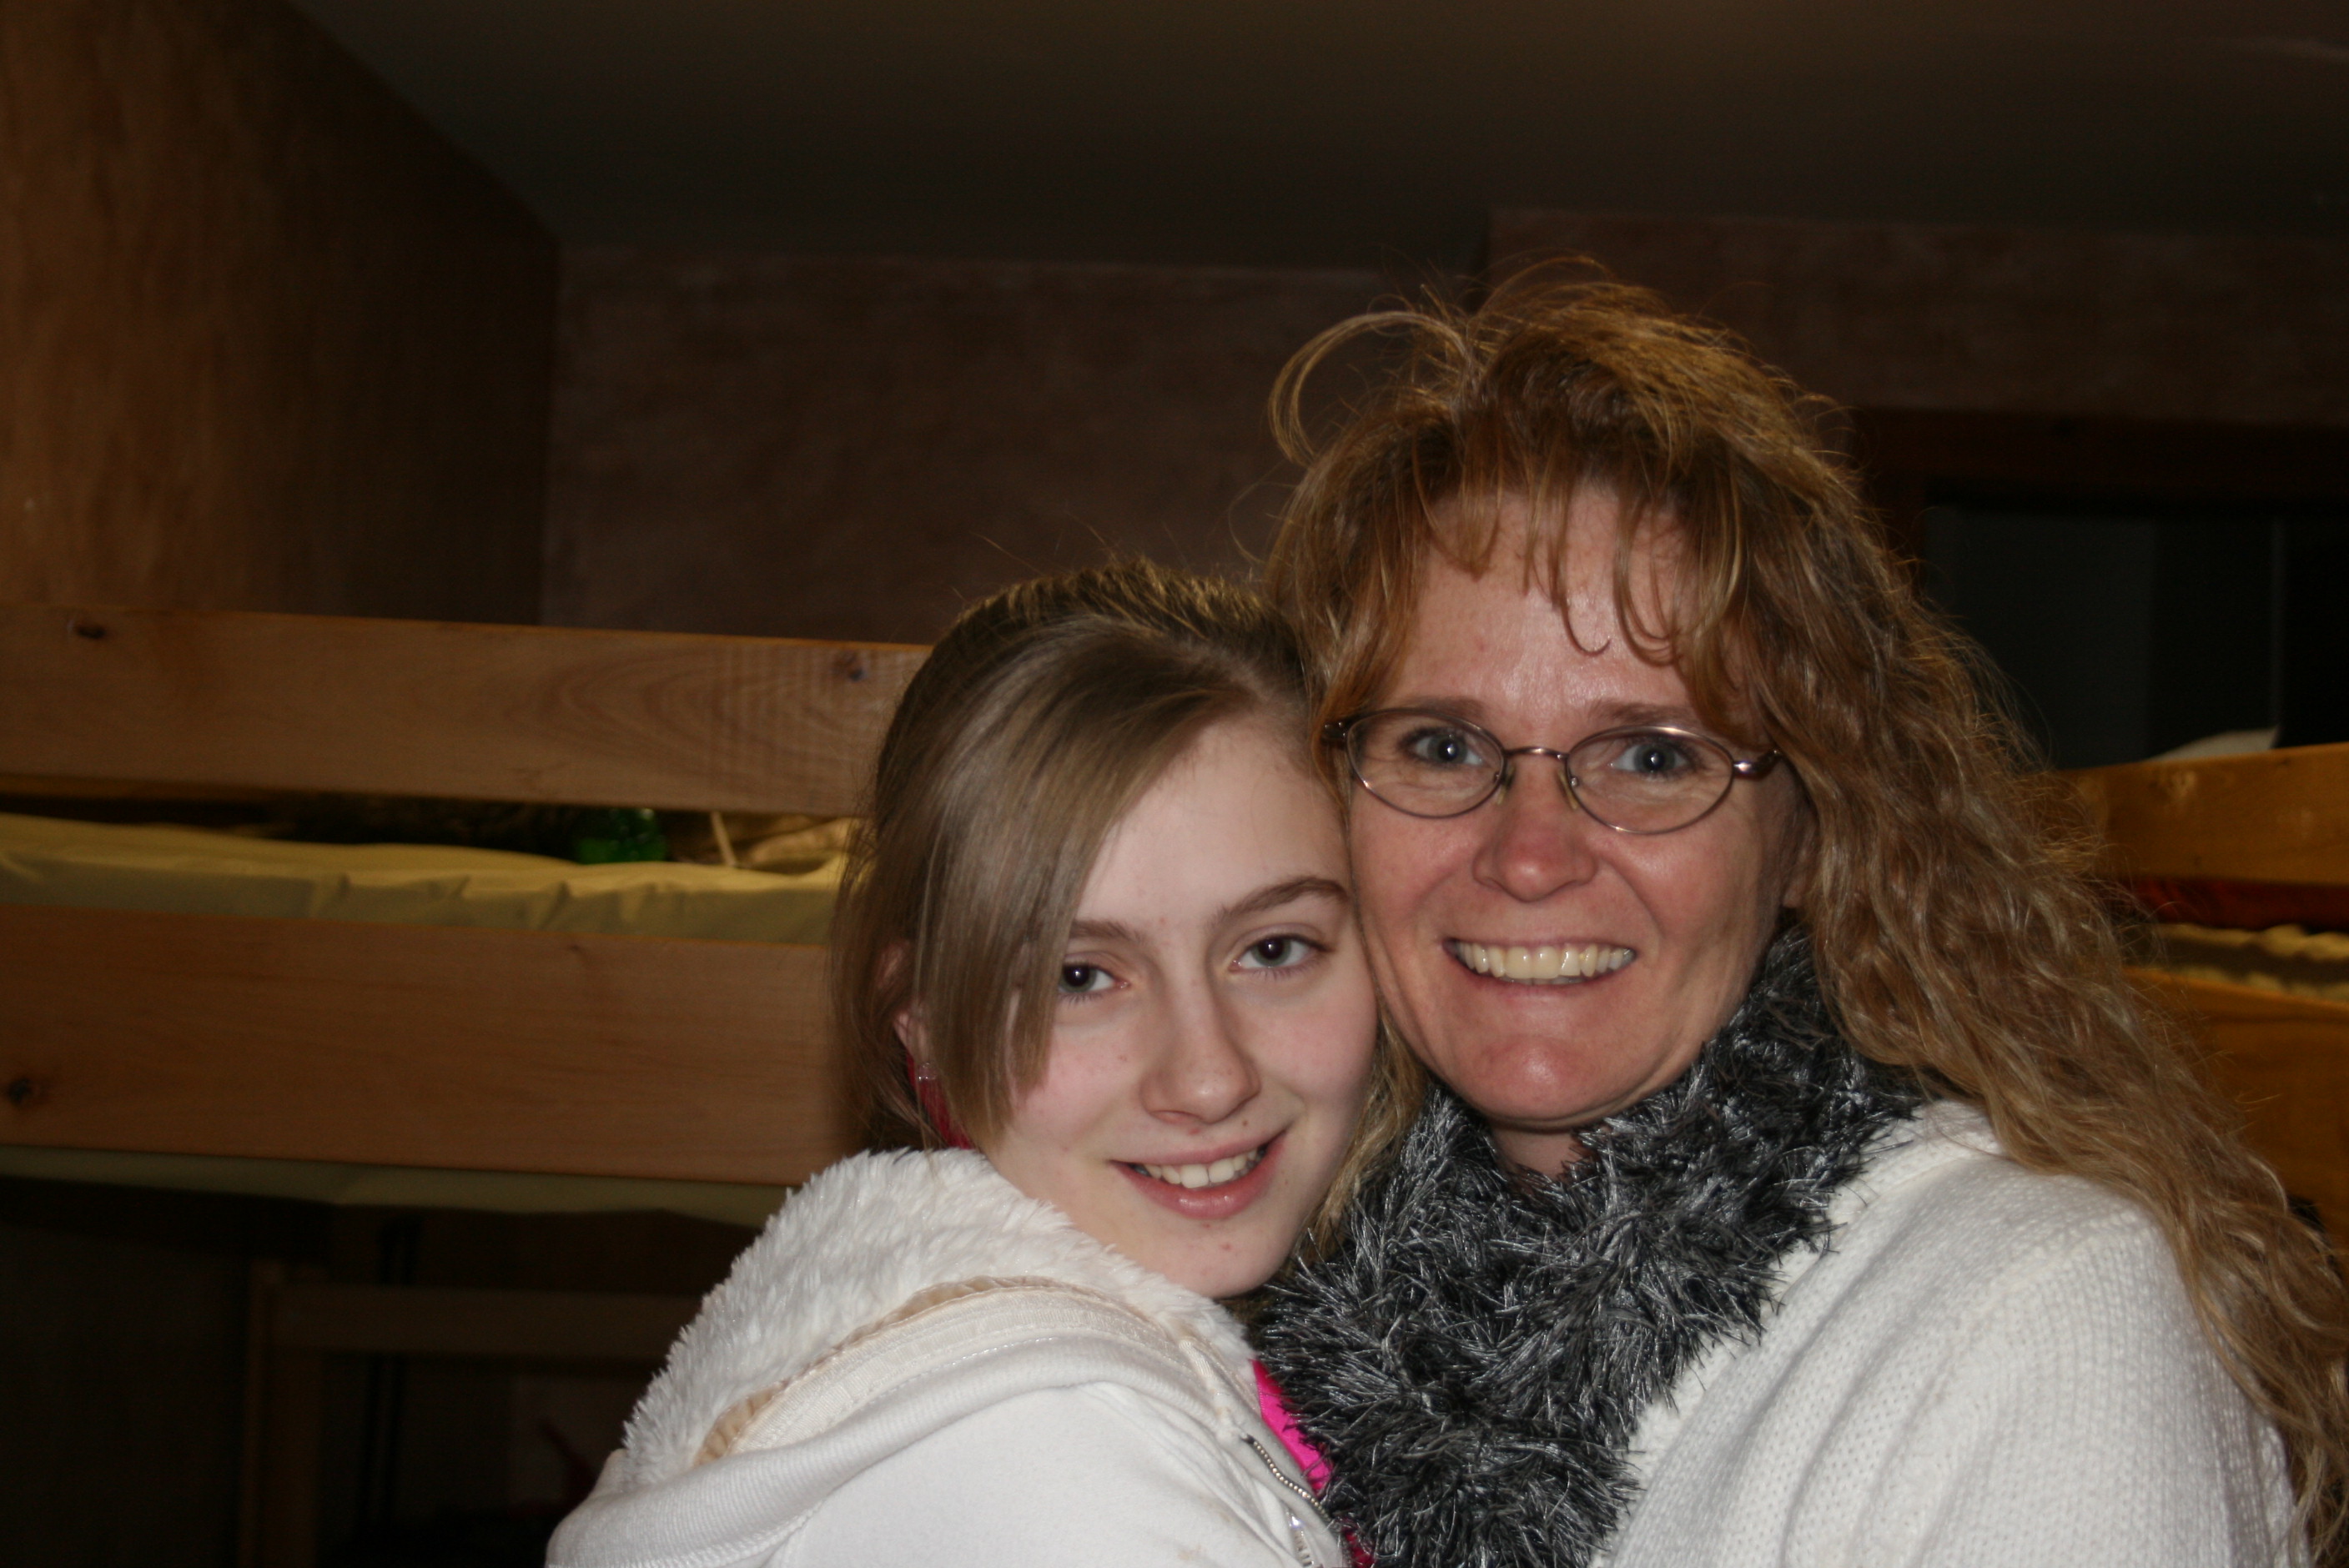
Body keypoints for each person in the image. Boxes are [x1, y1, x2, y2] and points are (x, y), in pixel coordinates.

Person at [1252, 272, 2349, 1567]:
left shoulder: (2042, 1325)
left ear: (1812, 836)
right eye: (1442, 744)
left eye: (1652, 757)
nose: (1530, 856)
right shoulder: (1299, 1264)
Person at [550, 562, 1408, 1568]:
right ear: (919, 1018)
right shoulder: (1052, 1472)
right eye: (1078, 976)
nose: (1209, 1077)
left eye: (1272, 948)